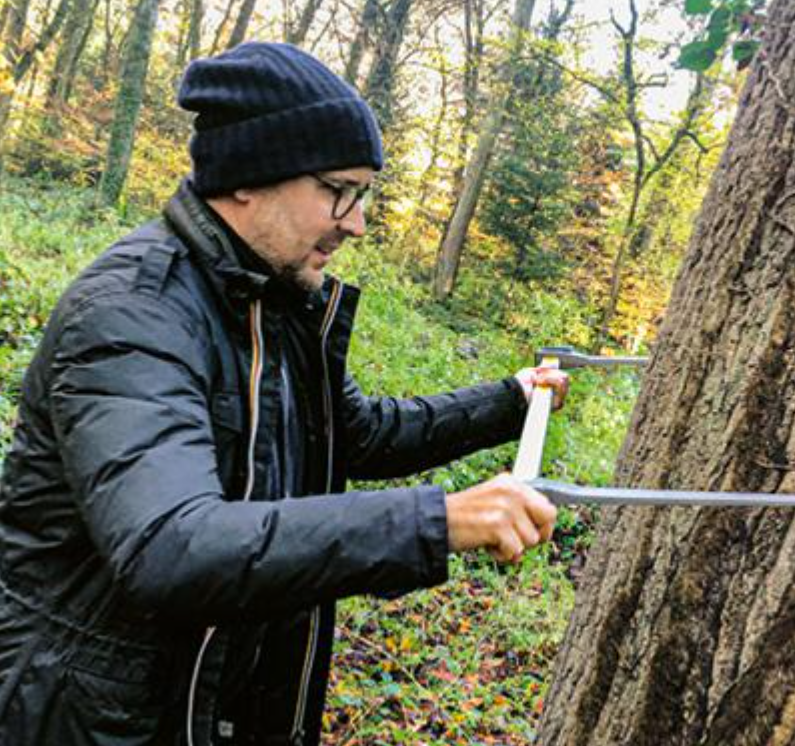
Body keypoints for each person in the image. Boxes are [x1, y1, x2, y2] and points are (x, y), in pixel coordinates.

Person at [0, 41, 567, 745]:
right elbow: (171, 546)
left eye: (363, 194)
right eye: (340, 189)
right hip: (95, 717)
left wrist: (508, 400)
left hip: (217, 698)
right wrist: (434, 521)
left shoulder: (272, 297)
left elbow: (354, 433)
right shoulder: (132, 313)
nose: (356, 221)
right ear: (249, 176)